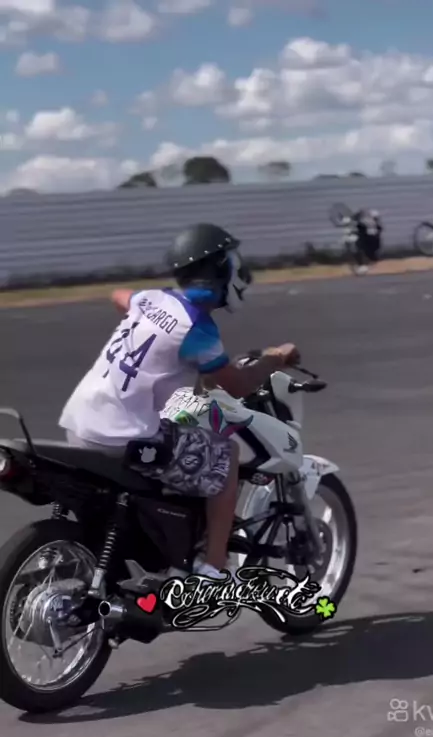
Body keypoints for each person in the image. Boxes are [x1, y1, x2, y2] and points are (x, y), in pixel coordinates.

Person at [58, 223, 300, 580]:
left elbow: (118, 295)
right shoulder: (197, 327)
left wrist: (146, 327)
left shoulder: (150, 299)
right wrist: (275, 358)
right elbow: (236, 385)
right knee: (225, 455)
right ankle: (213, 568)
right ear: (221, 268)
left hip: (80, 424)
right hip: (123, 438)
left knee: (178, 432)